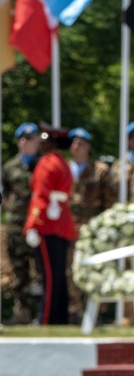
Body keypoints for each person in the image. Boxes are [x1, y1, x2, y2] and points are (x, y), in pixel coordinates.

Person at [24, 125, 76, 325]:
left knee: (49, 274)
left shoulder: (46, 163)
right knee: (58, 273)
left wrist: (33, 225)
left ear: (51, 143)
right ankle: (59, 316)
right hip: (61, 223)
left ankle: (45, 318)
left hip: (47, 224)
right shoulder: (63, 163)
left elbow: (40, 197)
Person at [66, 127, 115, 321]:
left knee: (95, 268)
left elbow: (110, 200)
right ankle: (74, 311)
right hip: (69, 226)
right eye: (74, 143)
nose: (76, 146)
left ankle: (95, 312)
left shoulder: (100, 170)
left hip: (93, 227)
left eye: (81, 143)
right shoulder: (64, 169)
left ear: (88, 147)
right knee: (71, 268)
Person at [2, 122, 41, 324]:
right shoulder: (9, 167)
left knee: (42, 271)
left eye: (30, 138)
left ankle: (44, 314)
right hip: (17, 227)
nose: (25, 142)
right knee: (19, 272)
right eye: (22, 138)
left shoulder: (43, 164)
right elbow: (5, 196)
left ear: (37, 142)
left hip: (40, 226)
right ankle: (22, 312)